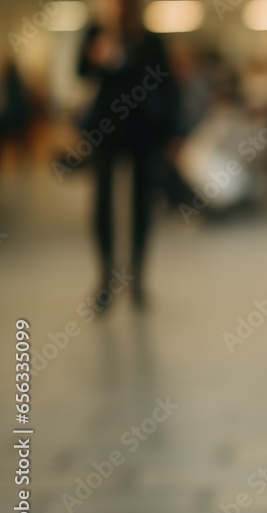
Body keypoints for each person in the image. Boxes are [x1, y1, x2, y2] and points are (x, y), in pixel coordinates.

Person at [77, 0, 178, 311]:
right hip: (107, 132)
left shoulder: (149, 40)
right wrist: (98, 56)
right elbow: (80, 70)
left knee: (141, 205)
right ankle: (106, 280)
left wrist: (170, 134)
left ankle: (136, 280)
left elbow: (165, 84)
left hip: (141, 133)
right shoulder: (97, 33)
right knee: (102, 205)